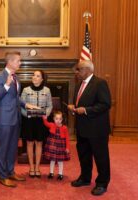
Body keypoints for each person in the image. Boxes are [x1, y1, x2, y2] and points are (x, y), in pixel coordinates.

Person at [0, 51, 36, 188]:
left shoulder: (15, 77)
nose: (20, 63)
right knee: (3, 148)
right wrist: (5, 85)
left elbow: (15, 97)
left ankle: (10, 171)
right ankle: (2, 176)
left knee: (12, 148)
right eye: (18, 60)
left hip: (16, 117)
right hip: (4, 119)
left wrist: (26, 104)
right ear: (10, 62)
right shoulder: (0, 76)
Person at [67, 60, 111, 196]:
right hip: (82, 128)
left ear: (87, 70)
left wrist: (86, 110)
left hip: (97, 129)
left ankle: (102, 183)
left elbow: (105, 104)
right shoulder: (79, 84)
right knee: (84, 155)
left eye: (78, 69)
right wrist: (74, 108)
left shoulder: (100, 83)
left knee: (100, 157)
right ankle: (85, 178)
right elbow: (79, 103)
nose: (77, 72)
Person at [20, 70, 52, 178]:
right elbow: (21, 106)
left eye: (38, 76)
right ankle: (31, 167)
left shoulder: (47, 90)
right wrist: (27, 114)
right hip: (29, 120)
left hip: (41, 121)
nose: (34, 77)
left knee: (39, 143)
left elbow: (49, 106)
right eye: (33, 75)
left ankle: (37, 167)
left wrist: (45, 115)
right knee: (29, 143)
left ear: (42, 79)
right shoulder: (25, 90)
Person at [42, 111, 70, 181]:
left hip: (61, 146)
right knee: (52, 160)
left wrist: (67, 147)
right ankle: (51, 173)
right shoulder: (52, 125)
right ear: (54, 119)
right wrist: (44, 118)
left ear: (62, 119)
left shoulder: (65, 128)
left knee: (60, 161)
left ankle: (60, 174)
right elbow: (46, 123)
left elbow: (67, 138)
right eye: (56, 119)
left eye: (60, 119)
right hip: (53, 145)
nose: (58, 121)